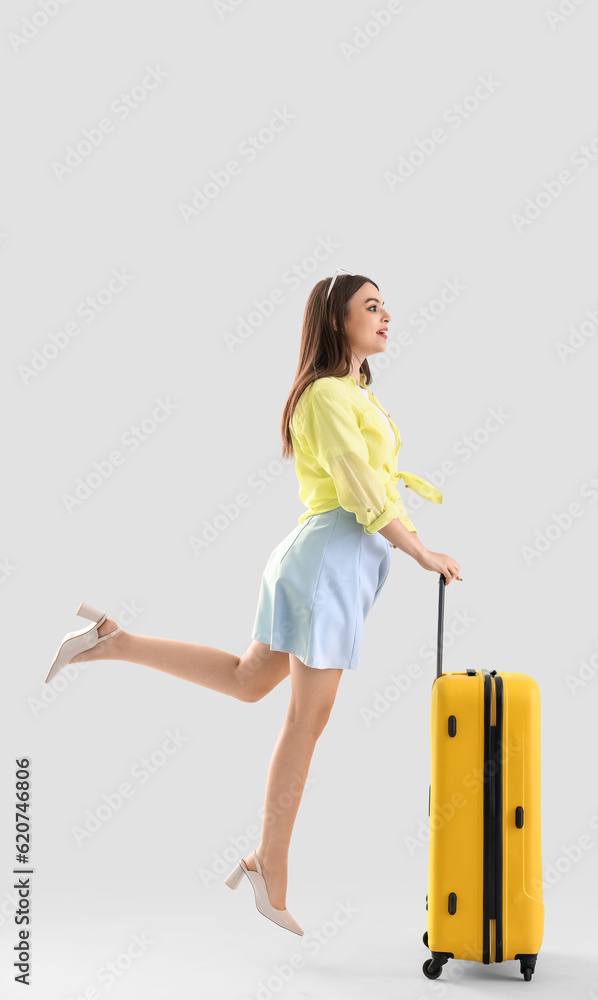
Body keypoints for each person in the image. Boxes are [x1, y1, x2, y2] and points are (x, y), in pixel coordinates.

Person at [44, 268, 462, 937]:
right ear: (335, 320)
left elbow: (374, 481)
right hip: (327, 564)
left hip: (331, 564)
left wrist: (409, 544)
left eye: (387, 307)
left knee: (249, 682)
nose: (387, 317)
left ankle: (112, 640)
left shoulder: (349, 391)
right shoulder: (326, 395)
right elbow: (361, 488)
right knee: (306, 720)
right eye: (372, 307)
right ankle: (270, 867)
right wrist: (419, 551)